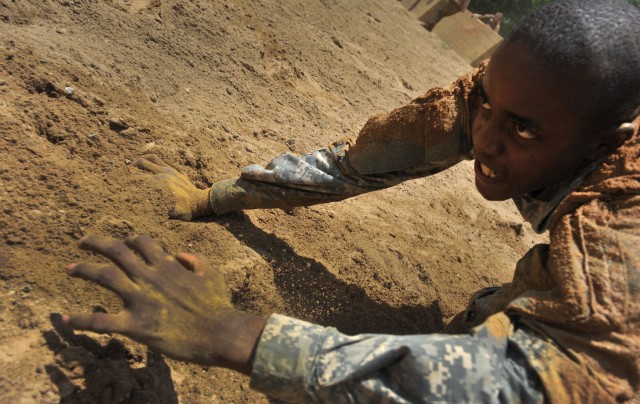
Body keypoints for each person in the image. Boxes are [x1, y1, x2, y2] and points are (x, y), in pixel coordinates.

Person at [62, 0, 640, 402]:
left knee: (536, 298)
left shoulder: (620, 230)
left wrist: (230, 333)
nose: (485, 137)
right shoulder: (497, 99)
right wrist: (211, 197)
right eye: (486, 101)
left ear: (603, 143)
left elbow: (550, 385)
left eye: (524, 131)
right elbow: (352, 165)